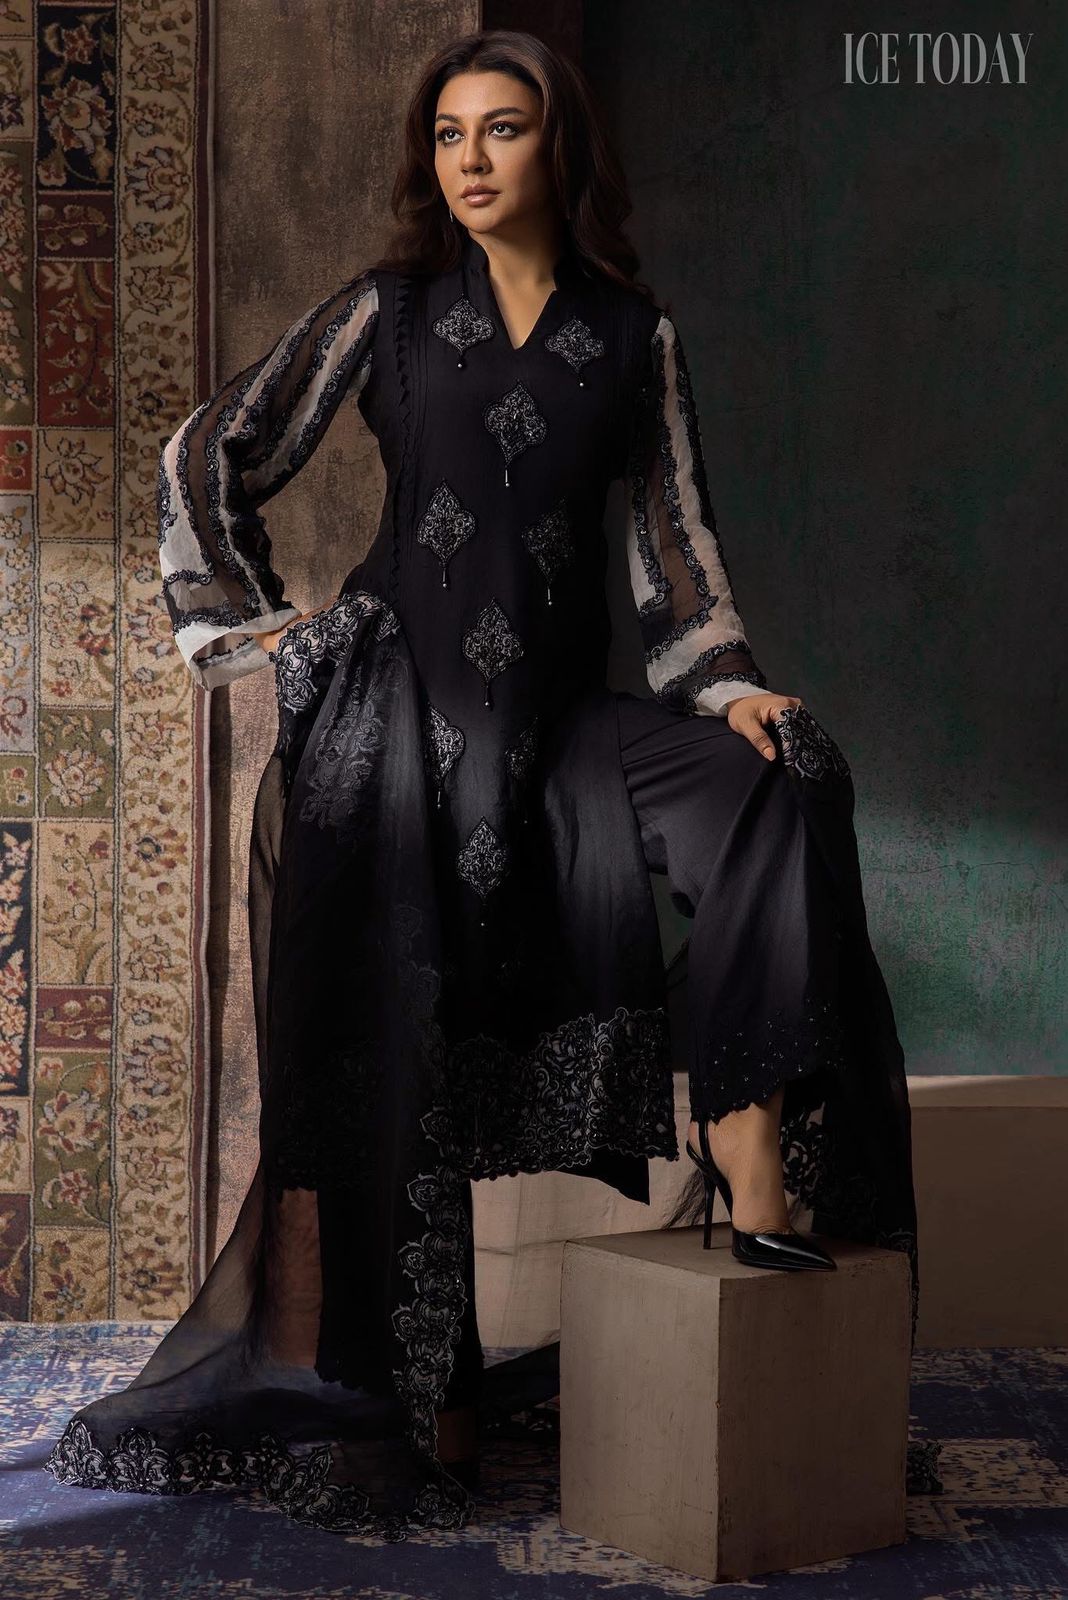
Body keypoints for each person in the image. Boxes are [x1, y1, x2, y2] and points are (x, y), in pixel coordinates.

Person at [43, 28, 922, 1537]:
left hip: (566, 729)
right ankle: (411, 1384)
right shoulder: (387, 314)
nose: (469, 159)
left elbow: (676, 557)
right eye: (448, 133)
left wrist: (734, 688)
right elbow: (208, 454)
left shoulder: (632, 337)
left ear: (556, 147)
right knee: (400, 1050)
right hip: (398, 726)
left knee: (782, 781)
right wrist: (263, 632)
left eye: (501, 129)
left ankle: (750, 1138)